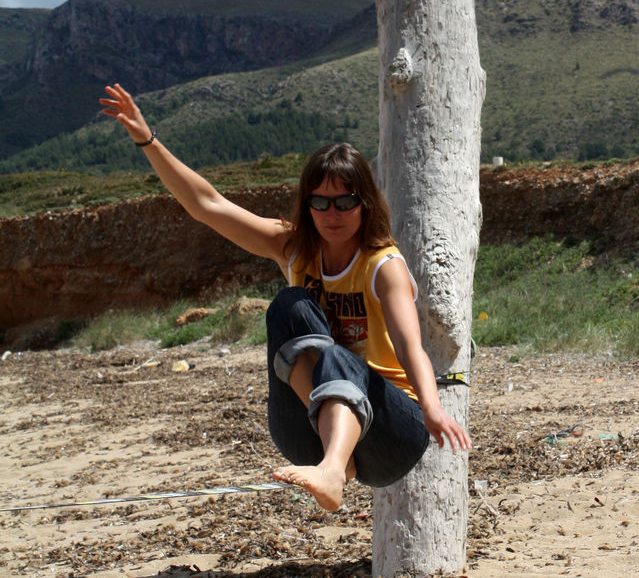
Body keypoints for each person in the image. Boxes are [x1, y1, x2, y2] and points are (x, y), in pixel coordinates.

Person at [100, 83, 471, 512]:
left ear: (365, 203)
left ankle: (335, 469)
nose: (332, 214)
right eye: (320, 202)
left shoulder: (381, 266)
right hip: (308, 430)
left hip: (393, 432)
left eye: (345, 202)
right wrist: (147, 139)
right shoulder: (294, 249)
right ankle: (335, 461)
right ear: (307, 205)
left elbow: (409, 346)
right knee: (288, 307)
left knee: (338, 358)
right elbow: (207, 205)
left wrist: (432, 407)